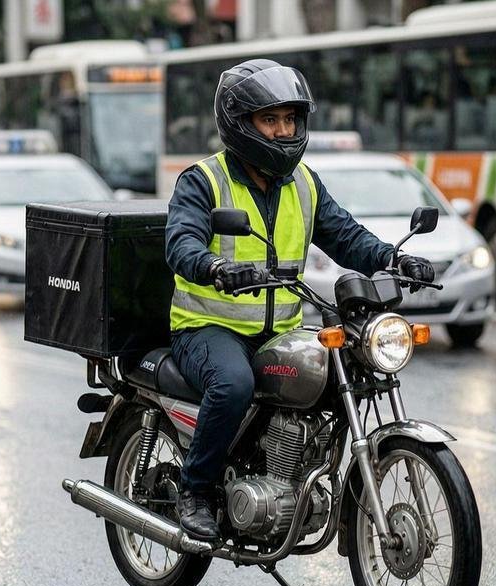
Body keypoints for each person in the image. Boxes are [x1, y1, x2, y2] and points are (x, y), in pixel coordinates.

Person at [164, 59, 435, 540]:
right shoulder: (203, 181)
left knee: (340, 371)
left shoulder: (303, 184)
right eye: (271, 120)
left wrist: (394, 258)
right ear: (239, 122)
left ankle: (293, 482)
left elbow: (346, 236)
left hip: (280, 332)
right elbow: (181, 242)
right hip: (208, 330)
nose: (284, 130)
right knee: (232, 385)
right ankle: (196, 490)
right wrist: (214, 266)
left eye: (290, 119)